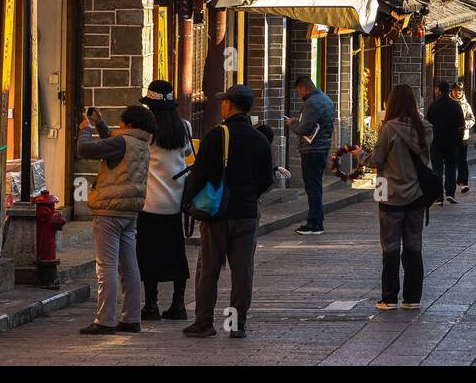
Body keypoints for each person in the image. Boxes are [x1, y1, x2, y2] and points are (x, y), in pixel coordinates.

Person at [183, 85, 274, 338]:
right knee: (242, 271)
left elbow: (200, 173)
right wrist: (249, 195)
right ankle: (237, 324)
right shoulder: (260, 139)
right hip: (246, 214)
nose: (221, 105)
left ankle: (204, 322)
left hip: (217, 214)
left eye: (224, 102)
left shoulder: (218, 135)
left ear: (230, 105)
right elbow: (267, 179)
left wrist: (188, 200)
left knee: (209, 269)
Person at [77, 104, 155, 335]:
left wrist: (85, 129)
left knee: (107, 266)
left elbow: (85, 150)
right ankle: (131, 317)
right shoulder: (142, 143)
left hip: (109, 211)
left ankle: (106, 319)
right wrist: (100, 123)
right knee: (129, 266)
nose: (119, 126)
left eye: (121, 122)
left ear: (128, 124)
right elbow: (112, 146)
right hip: (130, 211)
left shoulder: (122, 142)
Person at [367, 84, 433, 310]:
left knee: (390, 247)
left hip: (388, 193)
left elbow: (376, 159)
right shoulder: (425, 127)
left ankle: (389, 298)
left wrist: (359, 156)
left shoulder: (389, 129)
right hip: (417, 194)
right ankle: (413, 299)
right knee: (414, 246)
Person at [136, 82, 192, 321]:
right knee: (176, 252)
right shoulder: (184, 126)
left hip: (150, 202)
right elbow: (188, 153)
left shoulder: (147, 131)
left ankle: (151, 305)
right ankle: (178, 304)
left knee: (149, 254)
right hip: (175, 202)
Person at [285, 75, 334, 236]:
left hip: (312, 150)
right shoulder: (326, 99)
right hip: (322, 147)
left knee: (312, 187)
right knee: (315, 186)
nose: (299, 94)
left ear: (304, 88)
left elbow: (304, 128)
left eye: (298, 90)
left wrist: (293, 124)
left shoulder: (312, 103)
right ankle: (315, 221)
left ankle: (314, 223)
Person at [425, 80, 464, 204]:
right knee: (451, 167)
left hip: (436, 142)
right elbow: (461, 125)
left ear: (438, 90)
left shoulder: (433, 105)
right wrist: (459, 140)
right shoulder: (455, 105)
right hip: (452, 142)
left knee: (437, 169)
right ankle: (450, 193)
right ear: (449, 91)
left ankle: (438, 195)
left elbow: (428, 123)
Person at [451, 82, 476, 194]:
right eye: (456, 90)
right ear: (452, 91)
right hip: (450, 136)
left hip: (463, 137)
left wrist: (467, 124)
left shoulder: (465, 105)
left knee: (462, 160)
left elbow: (472, 119)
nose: (458, 92)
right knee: (452, 160)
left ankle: (463, 182)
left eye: (460, 90)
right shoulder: (448, 103)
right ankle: (451, 184)